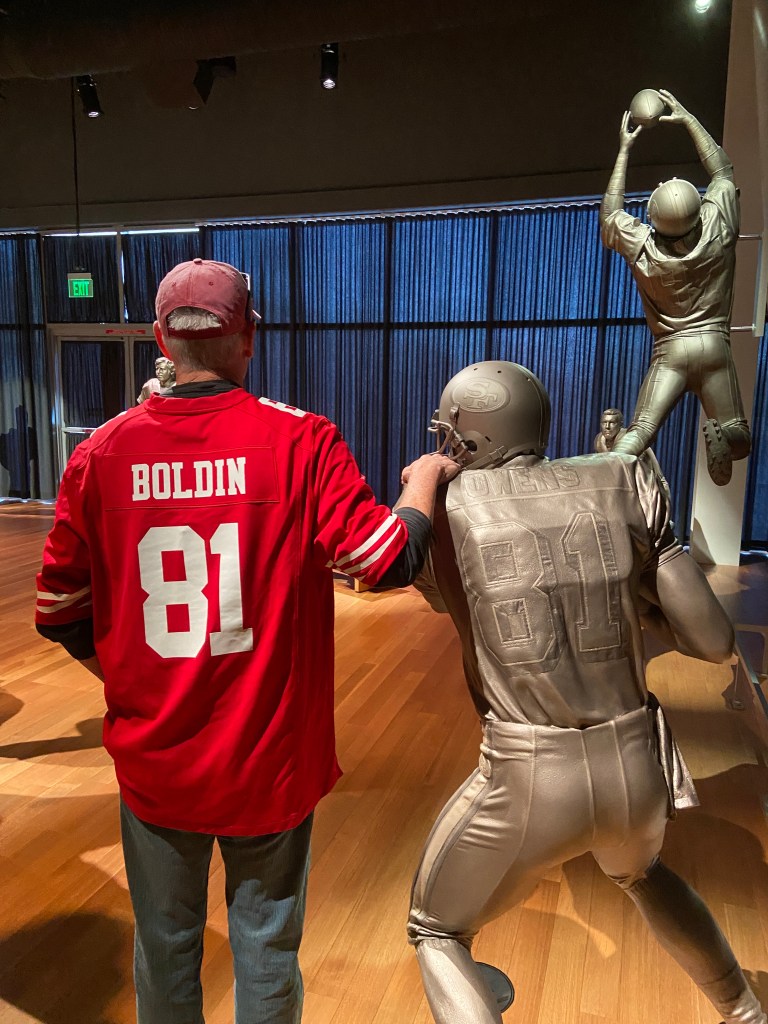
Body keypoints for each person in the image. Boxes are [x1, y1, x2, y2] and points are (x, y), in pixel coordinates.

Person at [35, 258, 459, 1024]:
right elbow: (384, 560)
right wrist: (425, 478)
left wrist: (137, 682)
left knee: (165, 950)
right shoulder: (301, 440)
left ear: (161, 337)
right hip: (270, 758)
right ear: (249, 337)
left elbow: (59, 611)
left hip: (157, 761)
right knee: (266, 951)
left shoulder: (100, 453)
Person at [406, 359, 766, 1024]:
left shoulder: (444, 505)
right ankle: (744, 1011)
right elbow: (714, 641)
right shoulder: (621, 477)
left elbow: (437, 592)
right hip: (638, 762)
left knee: (436, 928)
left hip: (530, 768)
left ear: (465, 433)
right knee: (641, 872)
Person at [600, 89, 751, 486]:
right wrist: (688, 120)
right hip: (714, 344)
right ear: (698, 209)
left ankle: (603, 479)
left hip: (670, 351)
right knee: (740, 437)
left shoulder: (644, 246)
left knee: (639, 432)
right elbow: (723, 171)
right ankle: (726, 438)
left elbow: (611, 214)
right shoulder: (718, 226)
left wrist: (624, 150)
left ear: (653, 217)